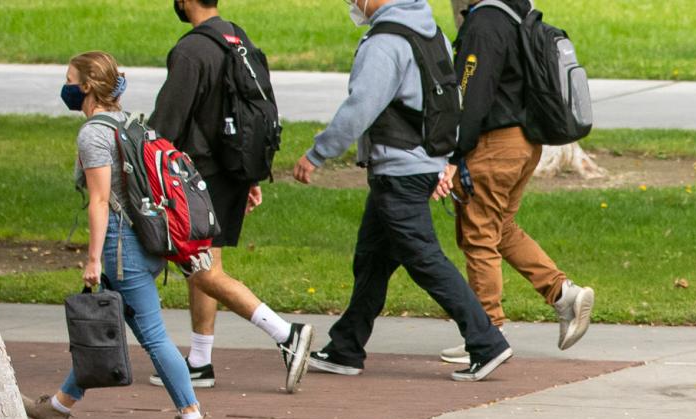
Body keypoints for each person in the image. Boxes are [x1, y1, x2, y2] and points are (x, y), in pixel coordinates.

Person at [292, 0, 513, 382]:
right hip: (417, 163)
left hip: (399, 170)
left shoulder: (384, 43)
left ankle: (486, 341)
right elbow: (449, 101)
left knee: (425, 259)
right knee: (372, 261)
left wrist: (316, 154)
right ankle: (346, 347)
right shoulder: (432, 33)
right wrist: (441, 160)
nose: (353, 2)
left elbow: (360, 107)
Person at [20, 51, 213, 419]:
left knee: (152, 335)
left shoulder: (93, 134)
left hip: (121, 247)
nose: (67, 87)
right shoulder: (128, 123)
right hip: (145, 241)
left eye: (70, 80)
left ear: (87, 87)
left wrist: (93, 260)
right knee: (106, 325)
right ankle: (57, 408)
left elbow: (100, 201)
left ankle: (191, 418)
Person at [146, 0, 315, 391]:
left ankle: (287, 334)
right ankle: (200, 361)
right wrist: (250, 176)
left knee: (203, 270)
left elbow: (166, 124)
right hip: (232, 172)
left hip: (197, 175)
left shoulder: (191, 50)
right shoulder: (238, 38)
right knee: (204, 264)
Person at [446, 0, 594, 355]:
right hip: (526, 142)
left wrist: (455, 152)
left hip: (495, 143)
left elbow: (472, 96)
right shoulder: (518, 13)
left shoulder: (484, 23)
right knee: (502, 228)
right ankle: (563, 294)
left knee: (479, 233)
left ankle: (487, 334)